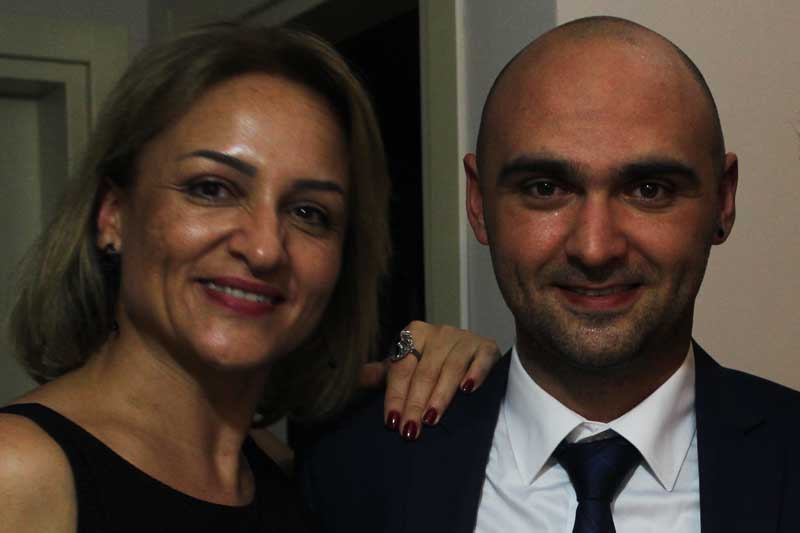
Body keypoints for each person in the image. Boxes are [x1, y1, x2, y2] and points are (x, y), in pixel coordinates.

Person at [300, 16, 800, 532]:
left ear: (723, 200)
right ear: (478, 203)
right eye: (545, 188)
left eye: (649, 190)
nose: (595, 248)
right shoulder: (352, 471)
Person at [0, 24, 502, 532]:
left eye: (308, 213)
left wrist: (417, 360)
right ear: (113, 215)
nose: (264, 249)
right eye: (212, 189)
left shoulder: (280, 475)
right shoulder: (17, 471)